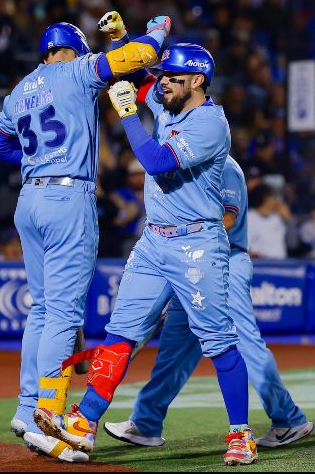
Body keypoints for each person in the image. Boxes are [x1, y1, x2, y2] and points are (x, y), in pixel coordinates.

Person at [35, 42, 258, 467]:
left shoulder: (210, 124)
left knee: (218, 341)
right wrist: (126, 42)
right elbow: (132, 78)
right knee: (121, 333)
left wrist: (127, 115)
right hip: (155, 241)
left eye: (173, 77)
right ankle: (84, 423)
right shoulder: (167, 95)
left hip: (197, 244)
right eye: (163, 75)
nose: (163, 83)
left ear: (198, 81)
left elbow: (156, 162)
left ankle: (241, 435)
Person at [0, 13, 171, 462]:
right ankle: (44, 419)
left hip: (29, 200)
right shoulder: (78, 70)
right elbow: (143, 55)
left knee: (43, 309)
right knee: (64, 315)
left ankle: (26, 405)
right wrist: (161, 28)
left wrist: (39, 158)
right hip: (67, 198)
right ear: (74, 48)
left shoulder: (20, 89)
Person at [103, 155, 313, 449]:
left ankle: (287, 418)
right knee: (175, 350)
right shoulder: (191, 161)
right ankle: (147, 422)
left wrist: (182, 237)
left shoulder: (224, 166)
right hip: (190, 262)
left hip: (222, 261)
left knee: (242, 342)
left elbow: (229, 217)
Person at [247, 184, 291, 259]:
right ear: (265, 198)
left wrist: (288, 220)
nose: (276, 200)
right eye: (273, 196)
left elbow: (292, 244)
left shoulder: (278, 217)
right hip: (260, 264)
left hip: (281, 264)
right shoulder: (249, 217)